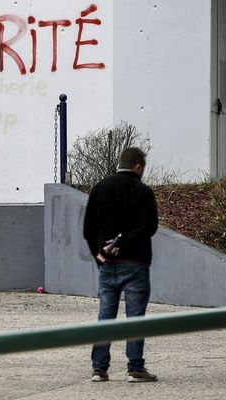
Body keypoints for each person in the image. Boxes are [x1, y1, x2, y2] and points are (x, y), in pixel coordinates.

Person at [83, 147, 158, 383]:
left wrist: (98, 255)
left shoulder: (100, 188)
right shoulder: (143, 191)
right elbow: (149, 227)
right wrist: (125, 242)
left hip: (107, 264)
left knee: (105, 315)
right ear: (138, 166)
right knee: (135, 318)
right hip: (136, 263)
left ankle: (99, 368)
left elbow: (88, 229)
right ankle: (135, 368)